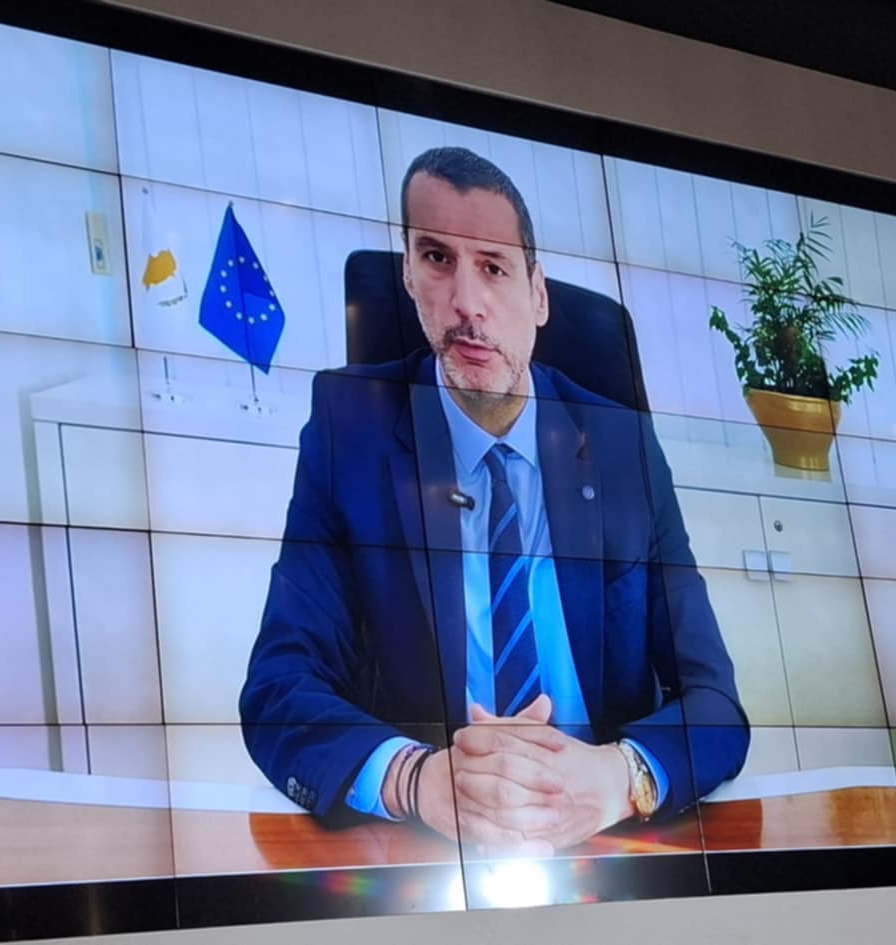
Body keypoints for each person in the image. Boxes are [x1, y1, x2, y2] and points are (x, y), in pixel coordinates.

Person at [239, 146, 748, 854]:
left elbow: (715, 701)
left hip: (608, 841)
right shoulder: (346, 426)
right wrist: (417, 780)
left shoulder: (623, 444)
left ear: (538, 295)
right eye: (437, 258)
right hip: (432, 852)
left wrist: (616, 778)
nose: (467, 303)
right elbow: (278, 688)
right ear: (408, 276)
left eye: (494, 267)